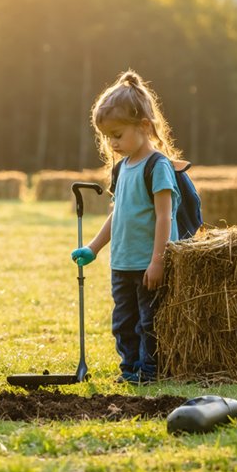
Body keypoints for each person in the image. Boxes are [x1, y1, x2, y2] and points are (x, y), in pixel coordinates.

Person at [71, 70, 182, 385]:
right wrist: (93, 248)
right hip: (122, 263)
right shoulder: (120, 170)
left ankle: (150, 371)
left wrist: (158, 260)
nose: (112, 143)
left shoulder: (156, 166)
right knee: (123, 322)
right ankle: (130, 368)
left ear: (144, 126)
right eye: (107, 136)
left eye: (117, 134)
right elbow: (117, 214)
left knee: (149, 322)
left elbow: (165, 216)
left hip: (148, 263)